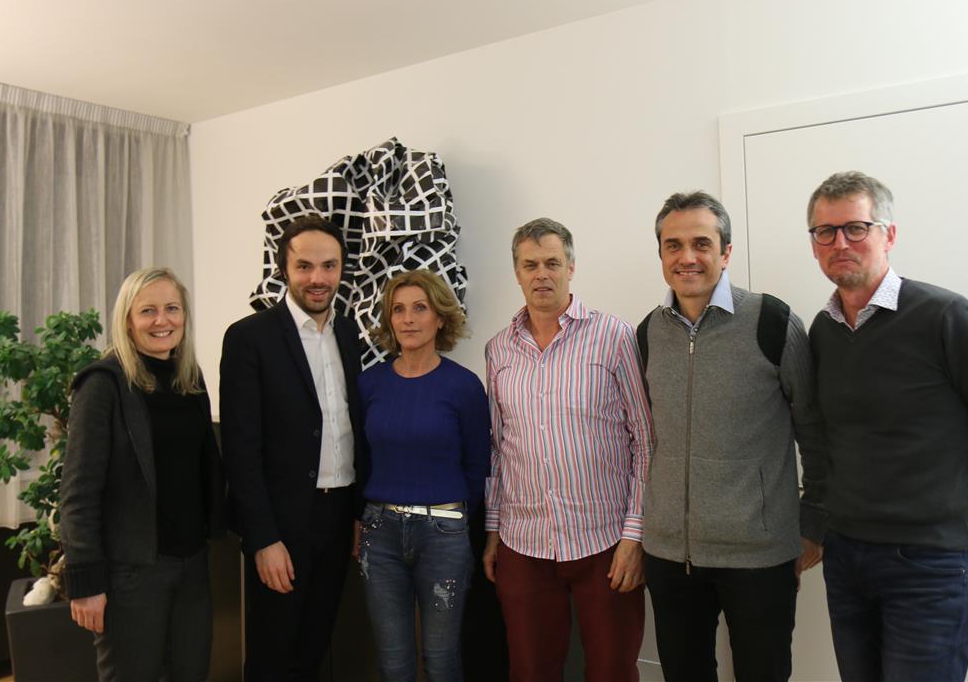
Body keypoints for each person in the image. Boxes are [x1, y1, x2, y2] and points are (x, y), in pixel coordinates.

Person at [805, 171, 968, 681]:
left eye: (856, 227)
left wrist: (966, 530)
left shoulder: (947, 318)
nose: (840, 243)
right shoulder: (823, 331)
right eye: (825, 232)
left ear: (889, 235)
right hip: (846, 559)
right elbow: (825, 442)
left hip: (930, 568)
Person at [637, 192, 825, 682]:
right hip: (670, 557)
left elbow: (815, 431)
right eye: (673, 245)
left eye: (702, 243)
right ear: (661, 254)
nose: (687, 257)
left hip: (759, 554)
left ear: (726, 252)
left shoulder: (772, 322)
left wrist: (812, 524)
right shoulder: (647, 333)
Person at [482, 217, 652, 682]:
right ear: (517, 273)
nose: (542, 274)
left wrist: (634, 536)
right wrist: (494, 532)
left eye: (552, 263)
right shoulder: (498, 350)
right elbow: (497, 448)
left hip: (604, 540)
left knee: (612, 671)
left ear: (571, 267)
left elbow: (644, 441)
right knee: (530, 670)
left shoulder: (614, 336)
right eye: (530, 265)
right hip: (524, 542)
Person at [61, 266, 225, 681]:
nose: (161, 320)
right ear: (128, 320)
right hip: (131, 573)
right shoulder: (102, 384)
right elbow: (78, 492)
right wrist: (85, 582)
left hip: (192, 564)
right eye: (148, 310)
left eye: (172, 308)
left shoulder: (190, 379)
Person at [220, 215, 365, 681]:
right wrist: (263, 539)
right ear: (284, 268)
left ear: (341, 269)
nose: (317, 278)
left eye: (328, 266)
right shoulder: (249, 338)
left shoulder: (349, 334)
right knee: (272, 655)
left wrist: (358, 514)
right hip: (281, 526)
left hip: (338, 517)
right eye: (304, 266)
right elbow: (241, 449)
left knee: (312, 649)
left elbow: (353, 428)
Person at [355, 268, 491, 682]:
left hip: (444, 535)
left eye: (420, 308)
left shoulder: (464, 387)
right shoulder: (369, 384)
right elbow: (361, 459)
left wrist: (456, 521)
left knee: (441, 658)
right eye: (398, 310)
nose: (408, 319)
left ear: (441, 318)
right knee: (393, 661)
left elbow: (478, 466)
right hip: (379, 535)